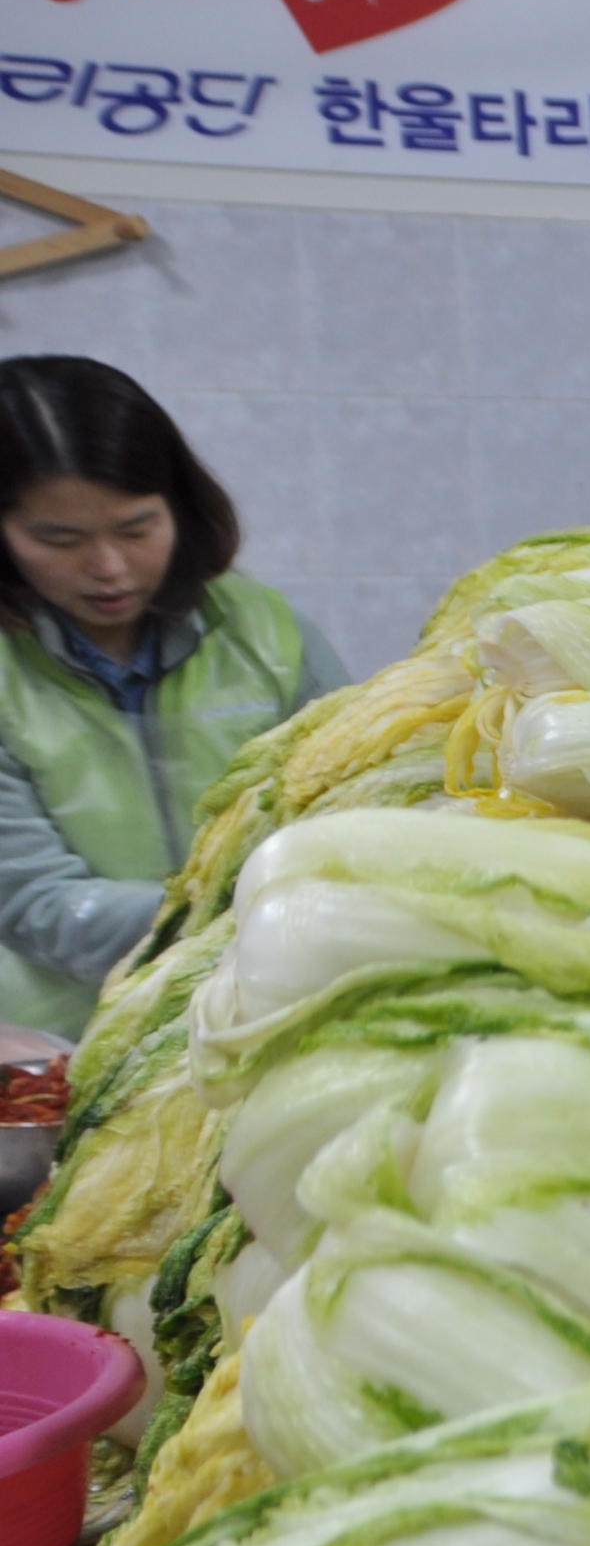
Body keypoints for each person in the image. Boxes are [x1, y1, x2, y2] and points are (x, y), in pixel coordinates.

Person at [0, 357, 341, 1036]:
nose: (109, 568)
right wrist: (253, 907)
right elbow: (38, 902)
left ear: (180, 507)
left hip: (265, 1024)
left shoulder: (263, 630)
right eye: (58, 540)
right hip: (63, 1053)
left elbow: (361, 803)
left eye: (136, 528)